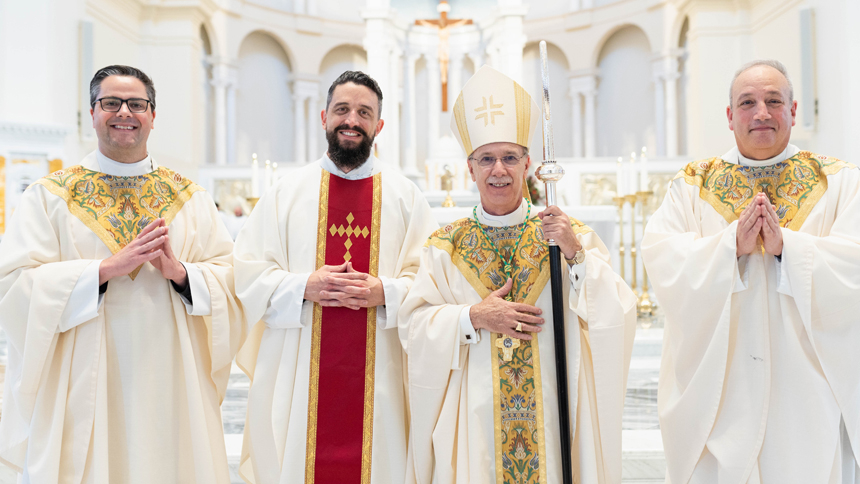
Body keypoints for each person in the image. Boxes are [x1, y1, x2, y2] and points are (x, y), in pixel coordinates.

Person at [0, 65, 244, 483]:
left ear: (153, 114)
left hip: (171, 373)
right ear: (92, 112)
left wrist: (181, 273)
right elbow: (14, 285)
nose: (124, 112)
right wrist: (104, 270)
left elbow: (232, 281)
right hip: (82, 374)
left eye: (136, 104)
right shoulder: (50, 196)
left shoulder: (191, 198)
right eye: (110, 102)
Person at [400, 65, 637, 484]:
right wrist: (473, 316)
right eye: (487, 159)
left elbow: (617, 310)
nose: (499, 170)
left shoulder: (563, 233)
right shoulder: (446, 246)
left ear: (528, 163)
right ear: (469, 168)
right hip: (475, 424)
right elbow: (413, 326)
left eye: (510, 158)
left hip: (551, 417)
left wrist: (575, 255)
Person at [642, 59, 860, 483]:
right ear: (729, 116)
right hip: (723, 393)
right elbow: (662, 258)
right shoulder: (694, 184)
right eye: (747, 102)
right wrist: (730, 248)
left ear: (793, 112)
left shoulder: (839, 182)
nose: (761, 112)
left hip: (808, 389)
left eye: (774, 101)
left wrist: (788, 249)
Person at [233, 70, 437, 484]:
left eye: (364, 112)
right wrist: (303, 285)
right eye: (342, 110)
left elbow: (434, 285)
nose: (351, 120)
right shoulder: (286, 193)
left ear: (379, 126)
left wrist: (386, 292)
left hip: (382, 372)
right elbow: (246, 274)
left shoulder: (405, 197)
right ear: (324, 116)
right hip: (300, 366)